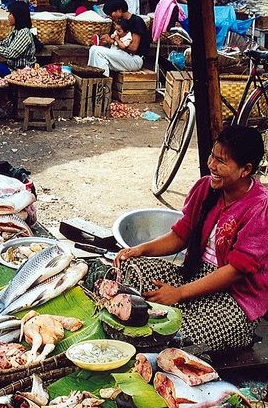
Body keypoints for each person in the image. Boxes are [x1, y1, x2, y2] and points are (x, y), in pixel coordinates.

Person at [113, 125, 268, 352]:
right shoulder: (207, 187)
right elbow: (181, 234)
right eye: (212, 157)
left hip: (233, 299)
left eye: (221, 162)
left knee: (177, 335)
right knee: (128, 269)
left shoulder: (261, 207)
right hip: (192, 275)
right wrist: (140, 249)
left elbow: (236, 270)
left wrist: (179, 293)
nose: (212, 166)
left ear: (245, 170)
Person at [88, 0, 149, 76]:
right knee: (93, 49)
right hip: (123, 56)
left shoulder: (136, 21)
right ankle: (93, 78)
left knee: (98, 51)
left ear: (119, 10)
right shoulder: (119, 22)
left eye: (111, 13)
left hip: (135, 59)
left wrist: (113, 42)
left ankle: (103, 84)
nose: (110, 16)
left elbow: (133, 48)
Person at [0, 1, 36, 72]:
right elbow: (5, 44)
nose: (8, 17)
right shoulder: (15, 30)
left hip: (21, 71)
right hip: (11, 66)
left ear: (17, 16)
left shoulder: (24, 33)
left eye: (10, 14)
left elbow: (10, 53)